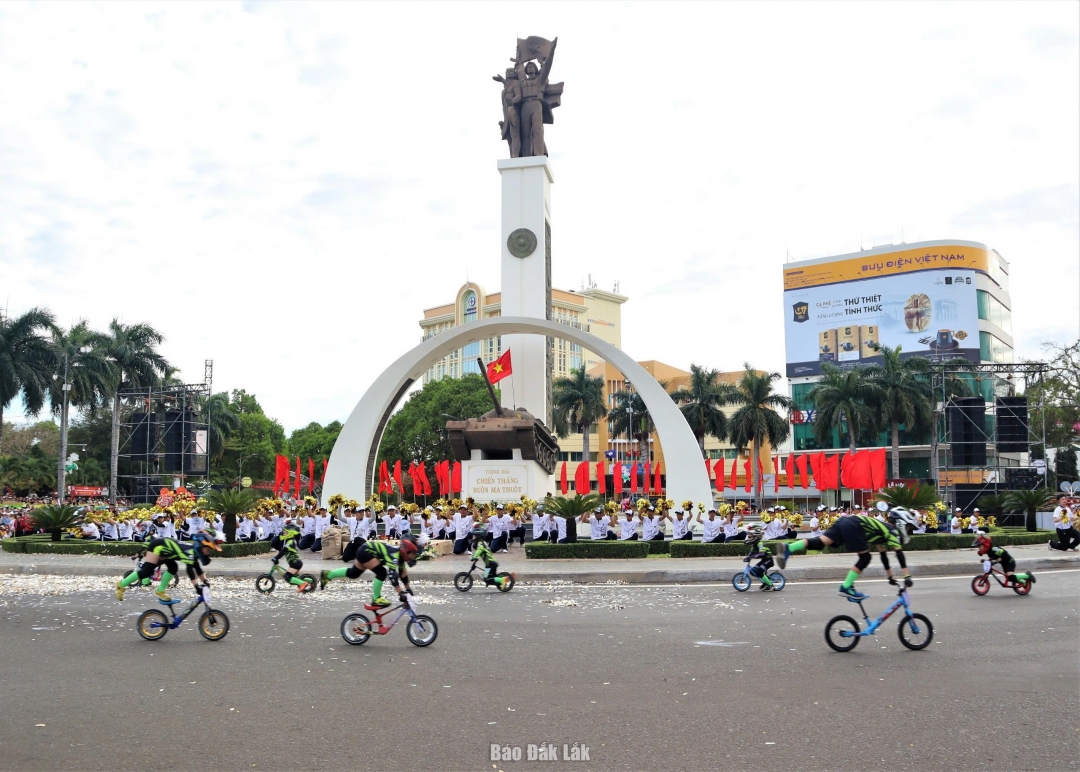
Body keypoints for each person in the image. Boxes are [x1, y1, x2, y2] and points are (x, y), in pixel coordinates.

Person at [775, 502, 917, 600]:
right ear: (901, 523)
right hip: (855, 525)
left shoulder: (882, 533)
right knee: (865, 558)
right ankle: (846, 586)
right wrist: (907, 577)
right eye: (909, 527)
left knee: (820, 543)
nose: (909, 531)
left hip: (846, 521)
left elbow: (884, 556)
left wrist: (890, 576)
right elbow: (899, 555)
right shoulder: (891, 532)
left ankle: (788, 548)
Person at [115, 530, 221, 602]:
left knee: (173, 568)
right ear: (200, 546)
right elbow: (190, 570)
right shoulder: (188, 552)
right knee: (146, 572)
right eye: (207, 550)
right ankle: (121, 585)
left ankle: (160, 591)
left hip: (166, 552)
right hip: (157, 546)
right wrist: (196, 586)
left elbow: (197, 568)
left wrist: (205, 582)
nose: (207, 553)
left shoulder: (193, 552)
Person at [320, 535, 421, 608]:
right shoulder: (394, 555)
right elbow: (393, 577)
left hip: (365, 550)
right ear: (406, 550)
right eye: (413, 554)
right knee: (382, 572)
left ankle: (328, 574)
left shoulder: (400, 557)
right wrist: (400, 593)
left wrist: (408, 589)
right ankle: (376, 598)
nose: (414, 556)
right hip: (366, 551)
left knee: (353, 573)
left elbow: (403, 574)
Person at [269, 522, 312, 592]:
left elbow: (283, 551)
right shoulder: (290, 541)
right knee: (295, 577)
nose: (283, 534)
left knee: (287, 577)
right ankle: (310, 581)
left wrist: (276, 558)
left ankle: (303, 584)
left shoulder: (290, 542)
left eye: (285, 532)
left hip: (295, 563)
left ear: (290, 533)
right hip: (296, 562)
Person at [743, 526, 777, 591]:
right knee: (753, 571)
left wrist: (753, 556)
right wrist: (748, 557)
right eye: (748, 537)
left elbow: (762, 553)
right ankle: (765, 581)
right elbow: (751, 553)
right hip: (764, 560)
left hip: (769, 560)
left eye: (750, 537)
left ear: (755, 537)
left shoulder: (760, 543)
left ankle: (770, 585)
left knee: (759, 572)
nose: (749, 538)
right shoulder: (754, 545)